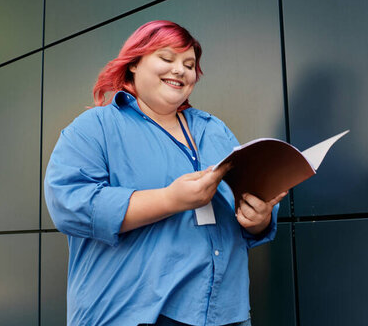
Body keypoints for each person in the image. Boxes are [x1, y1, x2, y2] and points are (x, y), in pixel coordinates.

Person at [44, 20, 287, 326]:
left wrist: (259, 218)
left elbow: (244, 202)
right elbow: (69, 205)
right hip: (133, 316)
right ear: (133, 63)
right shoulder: (95, 127)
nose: (180, 70)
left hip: (224, 315)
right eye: (167, 58)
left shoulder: (213, 130)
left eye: (189, 64)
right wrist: (170, 199)